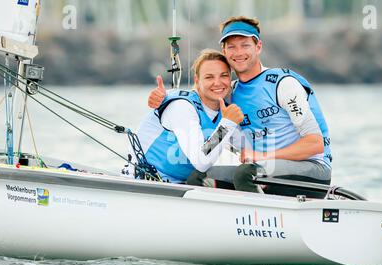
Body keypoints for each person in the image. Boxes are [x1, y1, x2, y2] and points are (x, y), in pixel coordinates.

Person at [148, 16, 332, 193]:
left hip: (312, 170)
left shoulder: (283, 84)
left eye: (245, 45)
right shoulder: (229, 92)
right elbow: (198, 96)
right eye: (232, 47)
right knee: (198, 176)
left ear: (258, 46)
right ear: (225, 51)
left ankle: (262, 220)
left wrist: (263, 156)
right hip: (260, 168)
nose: (238, 53)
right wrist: (164, 98)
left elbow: (315, 144)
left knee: (246, 173)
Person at [125, 49, 244, 183]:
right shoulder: (182, 107)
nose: (217, 82)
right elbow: (201, 161)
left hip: (181, 186)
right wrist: (227, 125)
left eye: (224, 76)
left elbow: (247, 147)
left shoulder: (225, 112)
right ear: (197, 81)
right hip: (145, 183)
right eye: (209, 77)